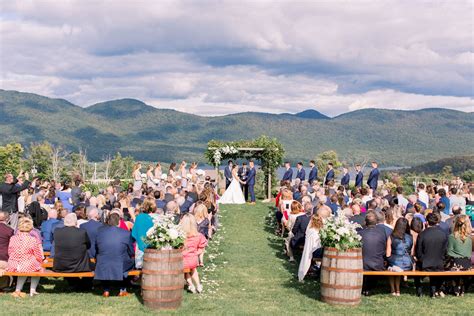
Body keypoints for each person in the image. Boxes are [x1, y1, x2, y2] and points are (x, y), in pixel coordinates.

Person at [94, 213, 134, 297]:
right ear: (119, 222)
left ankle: (106, 290)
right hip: (119, 263)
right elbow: (131, 251)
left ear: (108, 222)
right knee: (131, 263)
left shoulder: (100, 232)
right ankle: (122, 289)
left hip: (103, 262)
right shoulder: (126, 233)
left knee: (108, 262)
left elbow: (96, 249)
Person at [6, 216, 43, 297]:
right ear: (30, 228)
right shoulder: (32, 239)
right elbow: (38, 254)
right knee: (38, 268)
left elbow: (10, 251)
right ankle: (32, 290)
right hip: (26, 264)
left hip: (13, 264)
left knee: (24, 268)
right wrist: (40, 261)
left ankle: (18, 289)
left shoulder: (13, 238)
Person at [416, 213, 448, 297]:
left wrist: (422, 260)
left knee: (416, 266)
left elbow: (418, 252)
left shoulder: (422, 234)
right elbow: (445, 251)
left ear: (426, 222)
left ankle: (420, 291)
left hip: (425, 263)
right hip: (439, 263)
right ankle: (434, 291)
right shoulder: (443, 234)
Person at [359, 212, 387, 296]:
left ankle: (366, 288)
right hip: (376, 264)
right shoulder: (382, 234)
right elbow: (384, 249)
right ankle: (368, 288)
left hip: (363, 264)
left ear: (365, 222)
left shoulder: (360, 234)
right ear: (376, 222)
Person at [180, 214, 208, 294]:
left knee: (186, 271)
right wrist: (196, 253)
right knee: (193, 270)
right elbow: (201, 247)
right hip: (193, 259)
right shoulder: (198, 236)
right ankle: (198, 285)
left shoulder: (180, 236)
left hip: (182, 259)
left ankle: (191, 285)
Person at [386, 218, 413, 296]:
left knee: (391, 267)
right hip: (408, 264)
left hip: (395, 262)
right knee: (396, 267)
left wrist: (388, 260)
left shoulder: (391, 236)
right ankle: (398, 290)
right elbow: (411, 251)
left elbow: (388, 253)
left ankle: (393, 290)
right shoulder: (410, 237)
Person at [447, 215, 472, 296]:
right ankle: (462, 289)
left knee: (450, 264)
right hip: (467, 264)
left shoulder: (451, 237)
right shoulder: (469, 238)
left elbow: (449, 252)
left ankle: (455, 289)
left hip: (456, 264)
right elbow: (468, 253)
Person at [298, 213, 323, 281]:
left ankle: (317, 271)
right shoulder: (314, 232)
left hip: (313, 250)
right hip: (314, 251)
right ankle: (318, 272)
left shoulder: (311, 230)